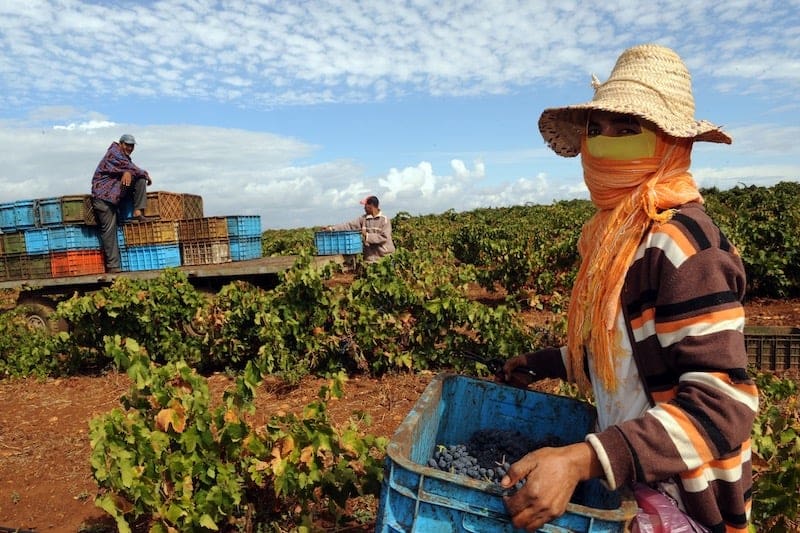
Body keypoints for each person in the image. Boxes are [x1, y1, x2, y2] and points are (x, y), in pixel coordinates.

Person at [497, 44, 758, 532]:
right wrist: (548, 363)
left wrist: (582, 459)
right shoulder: (618, 238)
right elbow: (630, 351)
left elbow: (723, 408)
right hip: (635, 488)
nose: (605, 142)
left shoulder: (681, 245)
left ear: (670, 144)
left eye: (626, 130)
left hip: (683, 501)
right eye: (598, 130)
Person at [91, 133, 152, 273]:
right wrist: (133, 172)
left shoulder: (124, 158)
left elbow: (131, 168)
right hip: (103, 199)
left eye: (132, 146)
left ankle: (138, 210)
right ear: (121, 144)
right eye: (127, 145)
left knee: (139, 179)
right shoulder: (114, 153)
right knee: (109, 231)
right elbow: (135, 169)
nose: (130, 148)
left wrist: (129, 172)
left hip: (114, 197)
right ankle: (113, 267)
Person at [327, 195, 395, 262]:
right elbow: (349, 225)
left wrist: (367, 236)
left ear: (371, 205)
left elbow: (384, 237)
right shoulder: (363, 219)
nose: (364, 208)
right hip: (370, 259)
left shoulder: (385, 220)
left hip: (385, 258)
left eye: (365, 205)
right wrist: (332, 228)